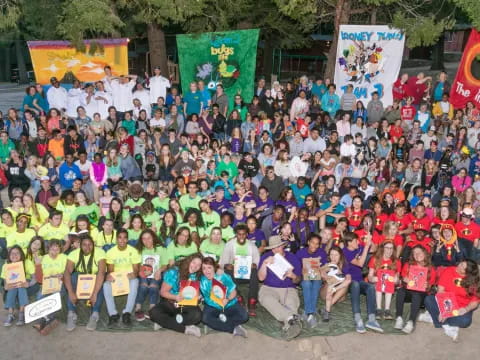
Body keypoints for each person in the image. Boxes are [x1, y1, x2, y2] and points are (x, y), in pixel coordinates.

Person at [421, 260, 479, 341]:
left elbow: (475, 301)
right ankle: (447, 324)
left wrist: (466, 309)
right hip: (446, 302)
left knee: (466, 321)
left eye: (463, 268)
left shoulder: (474, 281)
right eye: (461, 264)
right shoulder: (449, 270)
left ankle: (435, 319)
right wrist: (445, 311)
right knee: (428, 299)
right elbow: (440, 291)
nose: (459, 266)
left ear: (467, 273)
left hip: (460, 308)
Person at [258, 235, 303, 340]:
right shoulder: (266, 257)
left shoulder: (292, 257)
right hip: (269, 287)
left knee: (292, 302)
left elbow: (298, 280)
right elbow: (260, 278)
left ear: (283, 246)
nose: (275, 250)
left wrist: (292, 276)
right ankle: (291, 318)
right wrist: (265, 264)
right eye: (273, 248)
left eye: (278, 247)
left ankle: (290, 323)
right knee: (266, 299)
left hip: (288, 288)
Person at [148, 253, 203, 337]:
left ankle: (164, 322)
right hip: (170, 302)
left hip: (185, 304)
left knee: (198, 315)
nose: (195, 266)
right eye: (194, 262)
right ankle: (184, 329)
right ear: (189, 261)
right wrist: (175, 297)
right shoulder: (174, 271)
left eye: (199, 265)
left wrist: (198, 296)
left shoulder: (196, 275)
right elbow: (162, 292)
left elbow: (195, 292)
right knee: (153, 313)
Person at [343, 232, 383, 333]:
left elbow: (374, 249)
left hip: (360, 280)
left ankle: (371, 318)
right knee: (355, 284)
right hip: (348, 282)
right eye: (356, 241)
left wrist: (370, 240)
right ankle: (357, 318)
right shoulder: (345, 252)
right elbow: (360, 264)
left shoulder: (359, 247)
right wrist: (366, 247)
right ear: (349, 243)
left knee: (370, 287)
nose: (358, 242)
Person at [200, 256, 249, 337]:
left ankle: (220, 321)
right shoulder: (203, 280)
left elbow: (234, 292)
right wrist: (217, 302)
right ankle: (233, 328)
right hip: (213, 305)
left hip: (229, 303)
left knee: (244, 316)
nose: (206, 271)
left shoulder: (223, 276)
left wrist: (227, 299)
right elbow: (207, 299)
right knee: (205, 318)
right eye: (204, 268)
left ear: (214, 268)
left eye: (209, 267)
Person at [219, 224, 260, 316]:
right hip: (234, 274)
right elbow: (223, 262)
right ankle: (238, 296)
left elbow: (256, 261)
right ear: (236, 234)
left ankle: (252, 301)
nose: (241, 236)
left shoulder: (252, 246)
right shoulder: (229, 245)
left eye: (243, 234)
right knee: (227, 272)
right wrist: (227, 265)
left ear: (246, 235)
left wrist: (253, 265)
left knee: (254, 272)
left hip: (247, 274)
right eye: (239, 234)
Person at [103, 229, 141, 328]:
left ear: (127, 239)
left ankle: (127, 313)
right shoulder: (110, 252)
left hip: (129, 276)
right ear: (116, 239)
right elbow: (111, 270)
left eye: (125, 238)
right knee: (106, 285)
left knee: (135, 281)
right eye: (120, 237)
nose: (122, 240)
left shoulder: (133, 251)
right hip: (117, 277)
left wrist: (134, 274)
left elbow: (136, 270)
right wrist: (111, 277)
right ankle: (113, 314)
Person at [395, 245, 436, 334]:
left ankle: (411, 322)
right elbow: (402, 279)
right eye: (414, 253)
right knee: (401, 291)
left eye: (419, 252)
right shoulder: (408, 265)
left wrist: (427, 285)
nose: (417, 254)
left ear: (424, 253)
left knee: (417, 295)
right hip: (409, 291)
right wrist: (404, 279)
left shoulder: (431, 268)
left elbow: (431, 286)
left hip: (422, 295)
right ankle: (399, 318)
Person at [296, 234, 327, 327]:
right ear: (308, 242)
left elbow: (325, 267)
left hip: (316, 276)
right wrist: (301, 269)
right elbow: (296, 267)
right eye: (312, 243)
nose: (314, 246)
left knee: (317, 283)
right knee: (307, 283)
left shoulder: (322, 253)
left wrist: (321, 269)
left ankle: (308, 312)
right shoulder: (300, 253)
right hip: (304, 277)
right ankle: (311, 313)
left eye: (317, 244)